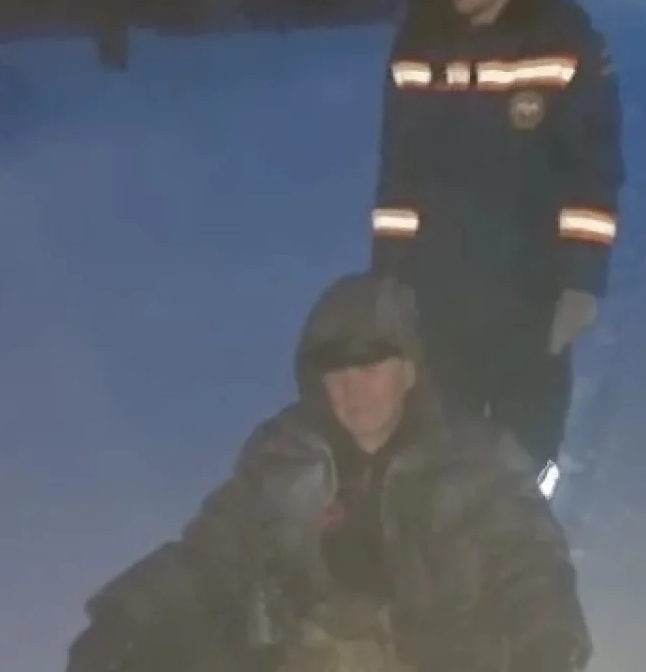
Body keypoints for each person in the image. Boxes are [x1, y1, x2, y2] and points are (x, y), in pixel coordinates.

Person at [65, 272, 591, 672]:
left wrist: (548, 649)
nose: (352, 389)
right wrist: (120, 620)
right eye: (336, 373)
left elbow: (531, 570)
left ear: (409, 371)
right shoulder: (285, 458)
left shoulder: (475, 462)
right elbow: (209, 557)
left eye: (370, 368)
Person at [368, 0, 625, 492]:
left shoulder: (563, 36)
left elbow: (593, 170)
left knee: (526, 458)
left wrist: (581, 282)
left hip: (531, 295)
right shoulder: (420, 40)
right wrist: (389, 277)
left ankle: (529, 536)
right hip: (439, 297)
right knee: (442, 456)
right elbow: (399, 174)